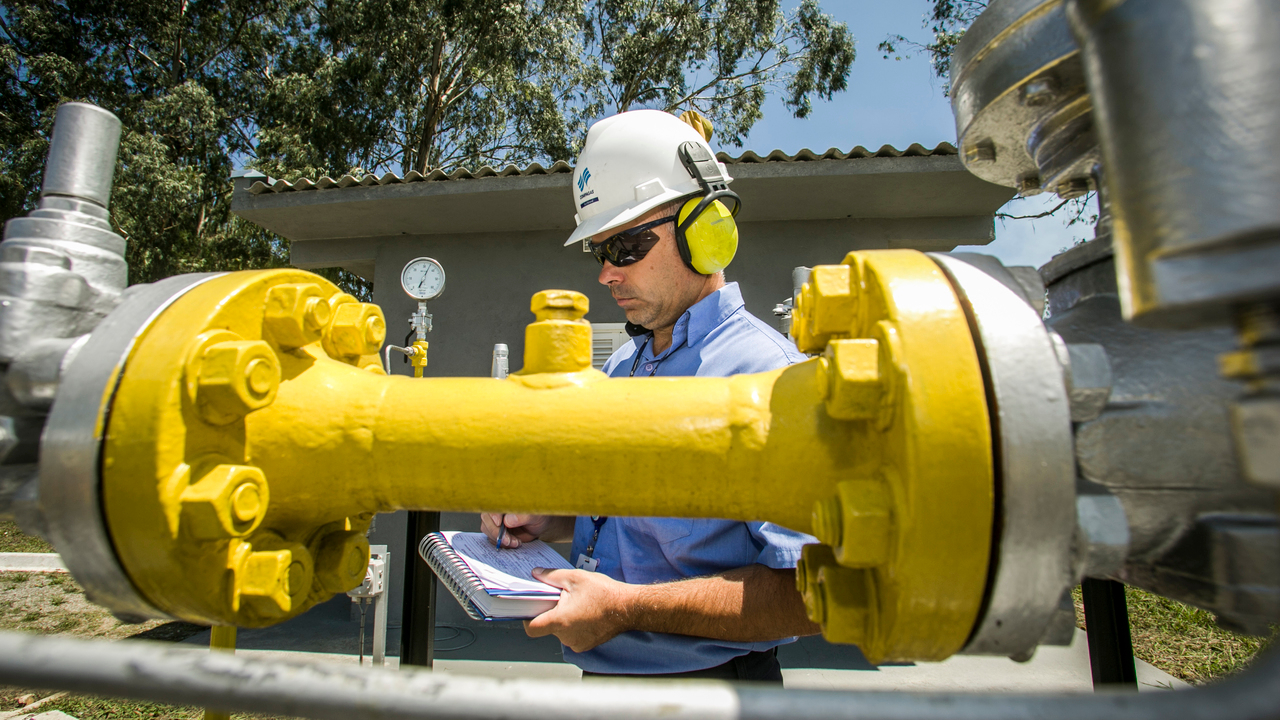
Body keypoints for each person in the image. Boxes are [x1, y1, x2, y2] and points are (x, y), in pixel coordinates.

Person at [481, 109, 820, 682]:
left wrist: (625, 609)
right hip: (605, 684)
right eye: (599, 252)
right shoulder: (621, 364)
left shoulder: (772, 376)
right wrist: (546, 521)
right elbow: (628, 520)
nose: (606, 275)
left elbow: (810, 594)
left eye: (628, 246)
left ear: (704, 233)